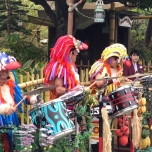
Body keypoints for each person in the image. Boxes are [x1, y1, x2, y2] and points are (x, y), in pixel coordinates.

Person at [89, 43, 131, 152]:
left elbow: (116, 82)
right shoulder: (100, 66)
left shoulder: (117, 69)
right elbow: (98, 83)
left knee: (107, 131)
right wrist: (113, 79)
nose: (119, 62)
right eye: (117, 60)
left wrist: (123, 80)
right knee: (96, 133)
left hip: (110, 104)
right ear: (112, 58)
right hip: (96, 103)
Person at [0, 52, 42, 152]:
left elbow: (21, 97)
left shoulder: (9, 86)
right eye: (3, 73)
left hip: (13, 124)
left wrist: (32, 99)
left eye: (7, 73)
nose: (6, 76)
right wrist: (5, 109)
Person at [44, 35, 88, 101]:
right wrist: (73, 91)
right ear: (70, 53)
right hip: (60, 106)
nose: (77, 55)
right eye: (76, 52)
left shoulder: (71, 66)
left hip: (70, 103)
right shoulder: (60, 68)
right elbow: (58, 89)